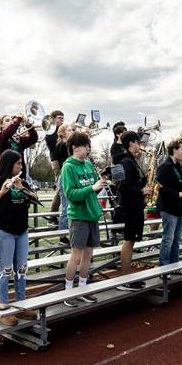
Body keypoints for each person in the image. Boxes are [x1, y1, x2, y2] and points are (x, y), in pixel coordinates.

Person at [0, 150, 38, 326]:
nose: (21, 167)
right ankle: (4, 307)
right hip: (4, 231)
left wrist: (22, 189)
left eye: (21, 164)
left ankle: (21, 304)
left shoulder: (23, 182)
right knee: (6, 269)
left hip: (21, 231)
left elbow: (35, 199)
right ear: (9, 164)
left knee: (22, 268)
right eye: (18, 164)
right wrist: (2, 192)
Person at [61, 132, 108, 307]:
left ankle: (82, 288)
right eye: (85, 146)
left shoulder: (89, 165)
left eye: (89, 146)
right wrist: (91, 187)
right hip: (78, 216)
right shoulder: (68, 167)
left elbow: (93, 190)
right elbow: (71, 194)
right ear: (74, 147)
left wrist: (100, 186)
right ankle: (68, 291)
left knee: (89, 253)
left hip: (91, 214)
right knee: (76, 255)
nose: (88, 149)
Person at [114, 131, 151, 291]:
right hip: (130, 207)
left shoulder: (130, 161)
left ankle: (127, 276)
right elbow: (122, 186)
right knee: (129, 241)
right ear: (131, 143)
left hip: (134, 206)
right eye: (138, 142)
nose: (140, 146)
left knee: (131, 240)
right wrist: (142, 191)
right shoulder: (126, 162)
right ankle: (125, 278)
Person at [156, 139, 182, 266]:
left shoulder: (179, 166)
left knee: (177, 239)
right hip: (168, 208)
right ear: (174, 150)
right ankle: (164, 266)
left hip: (179, 207)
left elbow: (181, 185)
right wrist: (179, 194)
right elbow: (160, 187)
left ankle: (175, 266)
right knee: (168, 239)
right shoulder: (164, 166)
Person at [0, 113, 38, 178]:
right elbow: (8, 133)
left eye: (12, 120)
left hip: (19, 173)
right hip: (5, 173)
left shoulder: (18, 138)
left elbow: (33, 139)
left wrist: (29, 126)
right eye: (7, 120)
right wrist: (18, 119)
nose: (11, 122)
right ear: (1, 125)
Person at [44, 110, 66, 224]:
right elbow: (54, 145)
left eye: (63, 118)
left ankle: (55, 216)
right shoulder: (50, 131)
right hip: (57, 161)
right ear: (53, 119)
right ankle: (52, 216)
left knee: (61, 189)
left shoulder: (61, 130)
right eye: (59, 118)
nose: (62, 120)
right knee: (60, 188)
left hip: (65, 160)